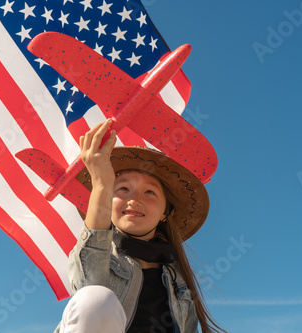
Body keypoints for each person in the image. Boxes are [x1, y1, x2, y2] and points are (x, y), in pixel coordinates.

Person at [55, 119, 225, 333]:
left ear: (165, 213)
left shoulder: (178, 278)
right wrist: (101, 183)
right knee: (95, 299)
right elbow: (88, 289)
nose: (134, 199)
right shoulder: (99, 256)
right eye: (123, 188)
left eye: (149, 192)